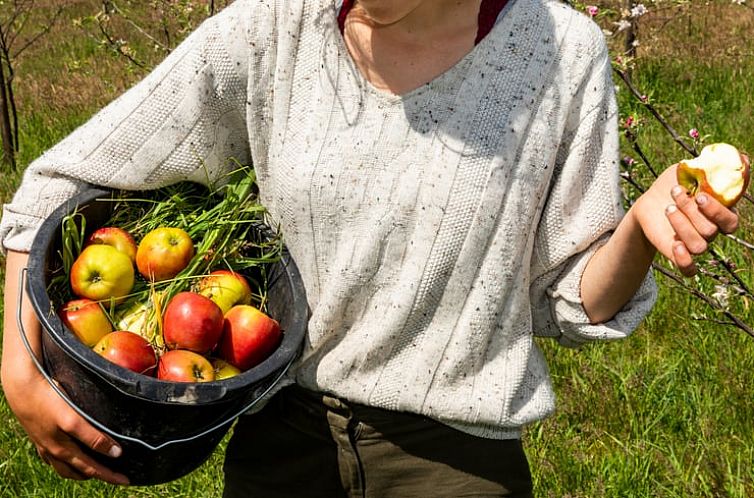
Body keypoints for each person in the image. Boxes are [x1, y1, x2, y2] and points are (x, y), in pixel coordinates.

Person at [0, 0, 740, 496]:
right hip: (280, 450)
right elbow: (58, 183)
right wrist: (20, 370)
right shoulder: (273, 31)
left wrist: (639, 229)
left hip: (454, 466)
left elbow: (572, 294)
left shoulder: (558, 53)